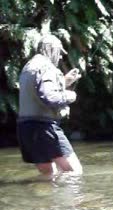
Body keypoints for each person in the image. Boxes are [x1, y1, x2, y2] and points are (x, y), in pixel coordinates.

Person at [17, 34, 83, 177]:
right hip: (44, 128)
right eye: (59, 52)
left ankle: (48, 199)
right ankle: (70, 200)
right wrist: (70, 96)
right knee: (75, 172)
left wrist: (64, 81)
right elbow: (49, 97)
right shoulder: (47, 67)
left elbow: (36, 92)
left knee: (49, 176)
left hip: (26, 128)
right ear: (51, 49)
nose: (60, 57)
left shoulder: (28, 67)